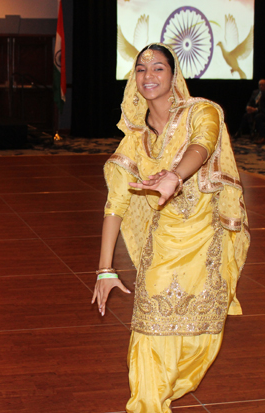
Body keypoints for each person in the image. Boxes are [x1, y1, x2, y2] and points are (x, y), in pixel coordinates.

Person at [91, 44, 249, 413]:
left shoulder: (202, 111)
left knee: (200, 344)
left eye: (158, 68)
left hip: (206, 246)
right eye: (141, 69)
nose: (148, 76)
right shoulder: (135, 141)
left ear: (174, 76)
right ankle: (147, 405)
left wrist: (175, 176)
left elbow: (203, 144)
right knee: (149, 335)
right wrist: (104, 269)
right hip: (162, 247)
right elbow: (115, 204)